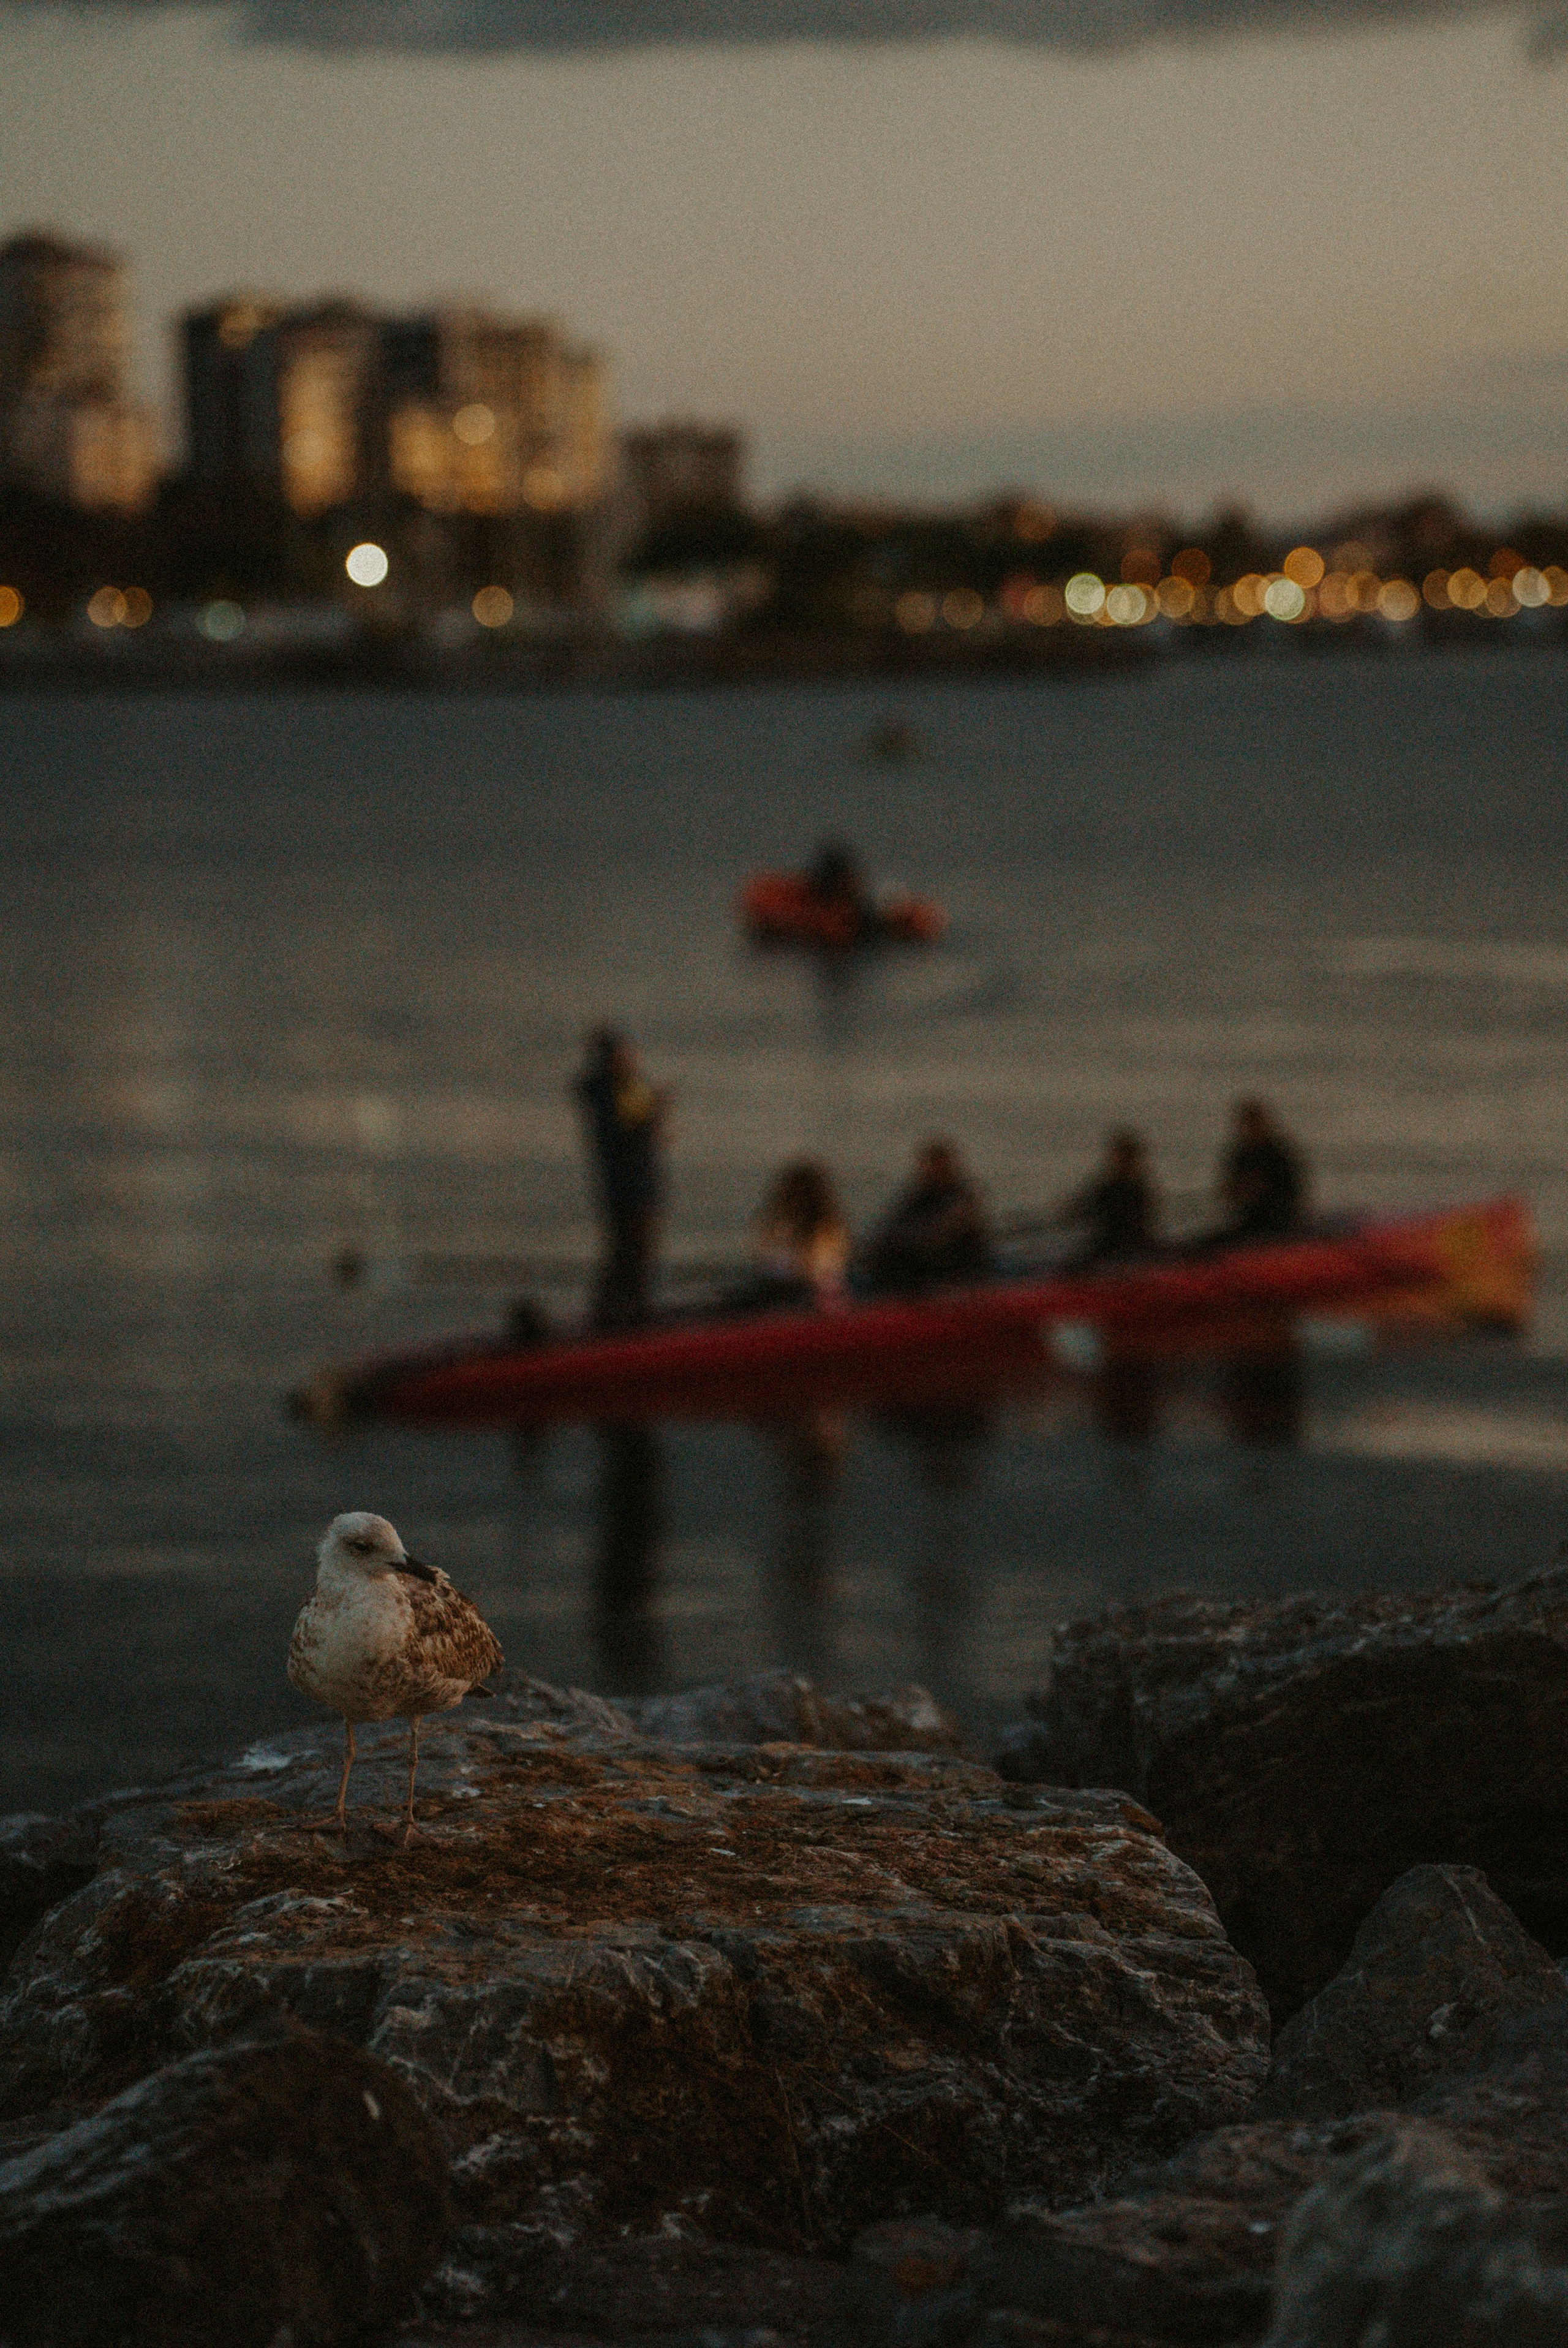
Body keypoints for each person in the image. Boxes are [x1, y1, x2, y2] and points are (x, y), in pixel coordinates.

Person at [573, 1027, 669, 1329]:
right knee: (631, 1254)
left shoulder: (616, 1091)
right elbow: (626, 1137)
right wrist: (655, 1115)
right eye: (623, 1054)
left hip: (628, 1187)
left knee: (629, 1254)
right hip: (629, 1189)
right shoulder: (610, 1094)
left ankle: (618, 1314)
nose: (630, 1059)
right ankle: (622, 1319)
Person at [864, 1138, 992, 1294]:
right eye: (927, 1167)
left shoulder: (961, 1200)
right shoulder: (918, 1197)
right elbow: (894, 1225)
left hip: (952, 1272)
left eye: (935, 1167)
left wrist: (905, 1243)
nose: (930, 1171)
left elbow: (941, 1235)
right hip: (921, 1267)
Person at [1053, 1128, 1160, 1271]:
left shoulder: (1135, 1188)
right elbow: (1081, 1211)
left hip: (1128, 1246)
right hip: (1111, 1245)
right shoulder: (1108, 1187)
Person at [751, 1159, 851, 1307]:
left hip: (813, 1297)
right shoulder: (781, 1227)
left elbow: (826, 1272)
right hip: (788, 1293)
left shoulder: (827, 1230)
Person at [1213, 1097, 1308, 1245]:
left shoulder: (1278, 1155)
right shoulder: (1240, 1156)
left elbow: (1292, 1193)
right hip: (1248, 1222)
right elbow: (1230, 1192)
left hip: (1278, 1223)